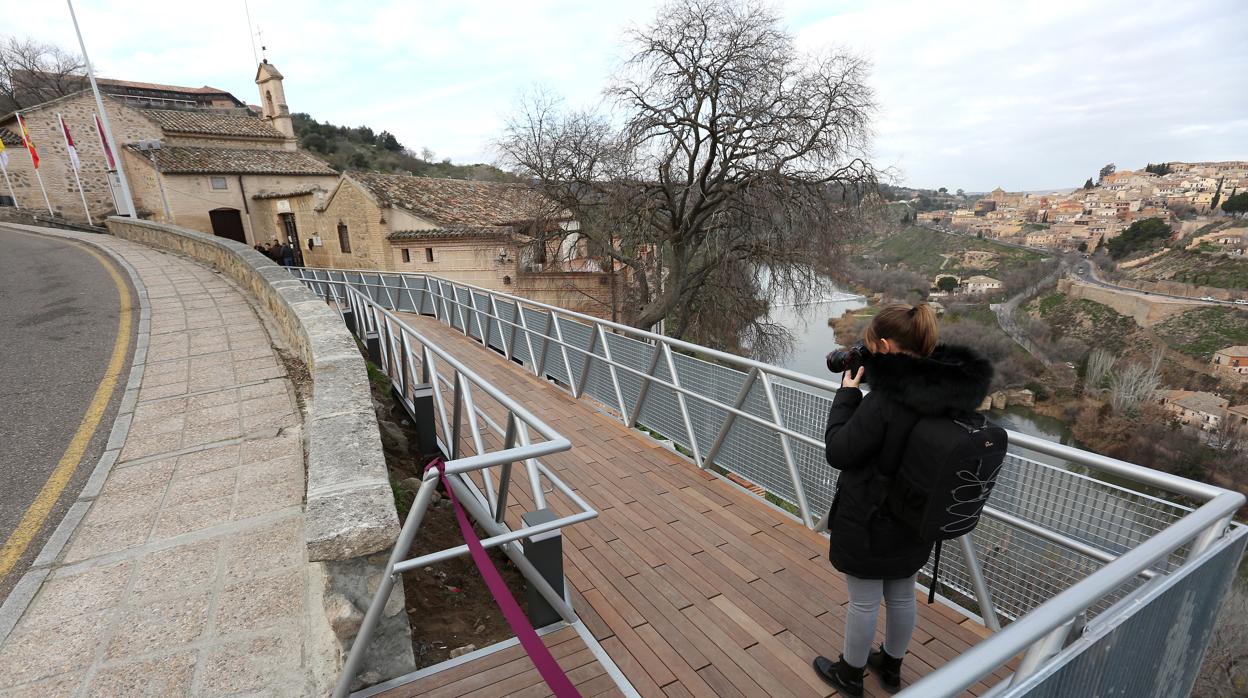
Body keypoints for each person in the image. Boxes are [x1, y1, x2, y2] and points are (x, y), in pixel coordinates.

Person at [813, 303, 993, 696]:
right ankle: (890, 668)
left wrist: (847, 396)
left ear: (883, 345)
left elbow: (839, 451)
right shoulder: (947, 392)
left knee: (863, 601)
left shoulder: (885, 401)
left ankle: (850, 673)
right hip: (916, 515)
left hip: (870, 515)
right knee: (900, 593)